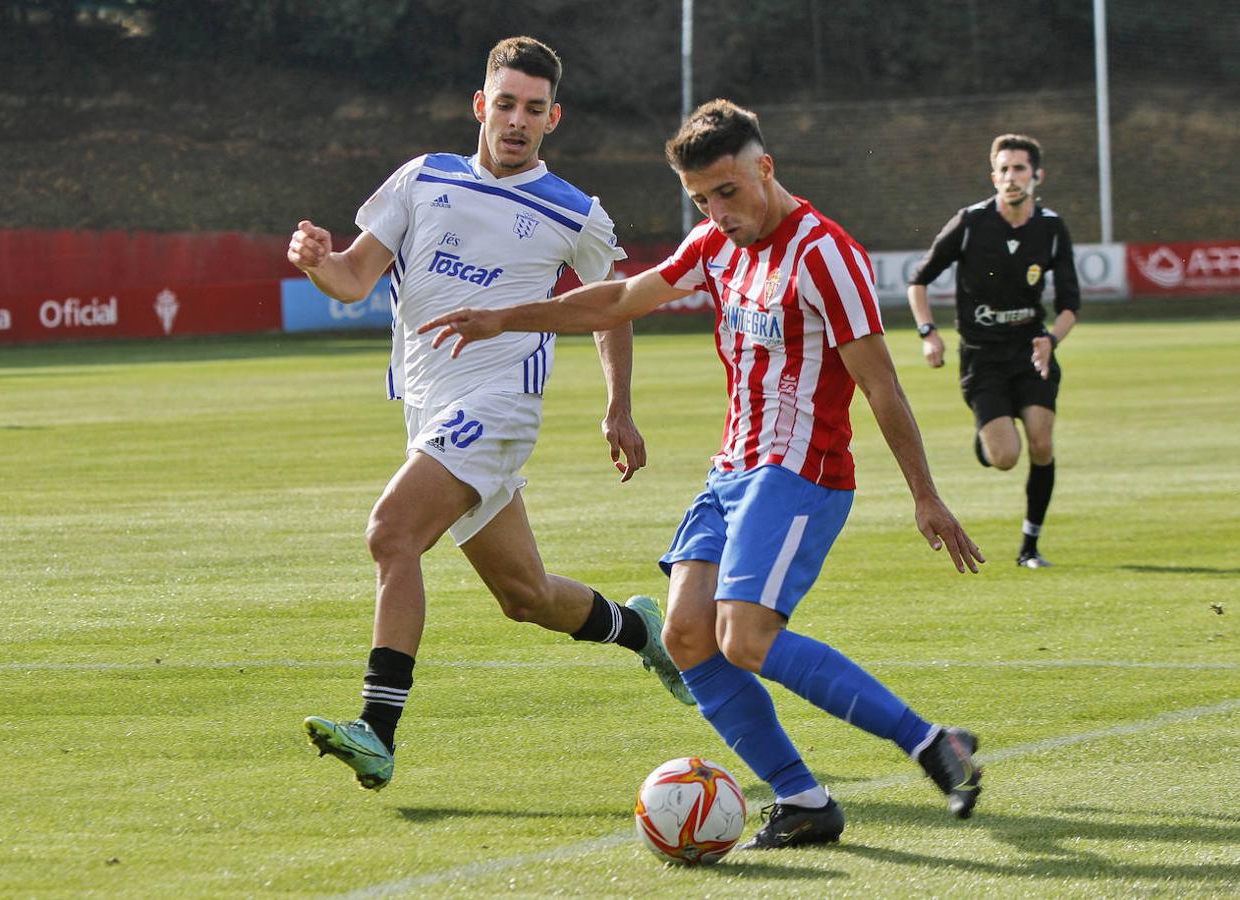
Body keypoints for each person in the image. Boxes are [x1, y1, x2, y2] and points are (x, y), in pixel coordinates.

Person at [420, 99, 987, 849]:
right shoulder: (711, 245)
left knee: (745, 637)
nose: (719, 211)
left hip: (800, 471)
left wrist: (925, 495)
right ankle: (805, 801)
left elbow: (881, 384)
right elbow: (623, 297)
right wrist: (504, 317)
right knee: (688, 636)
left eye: (729, 191)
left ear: (765, 168)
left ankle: (929, 743)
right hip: (730, 471)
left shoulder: (825, 254)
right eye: (701, 199)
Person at [287, 36, 695, 793]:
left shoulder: (575, 211)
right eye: (504, 104)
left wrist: (619, 405)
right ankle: (645, 632)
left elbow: (615, 306)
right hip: (430, 413)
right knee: (526, 596)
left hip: (499, 409)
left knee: (391, 532)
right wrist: (316, 258)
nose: (516, 120)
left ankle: (377, 731)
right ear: (481, 105)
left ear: (553, 119)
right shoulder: (422, 179)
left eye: (532, 110)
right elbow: (351, 279)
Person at [907, 134, 1080, 568]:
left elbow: (1070, 306)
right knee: (1005, 458)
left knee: (1041, 443)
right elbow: (919, 280)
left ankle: (1030, 546)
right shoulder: (970, 223)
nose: (1011, 177)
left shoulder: (1052, 228)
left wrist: (1051, 339)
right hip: (982, 357)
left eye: (1019, 168)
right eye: (1003, 169)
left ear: (1037, 176)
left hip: (1032, 353)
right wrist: (928, 331)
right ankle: (989, 438)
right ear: (994, 176)